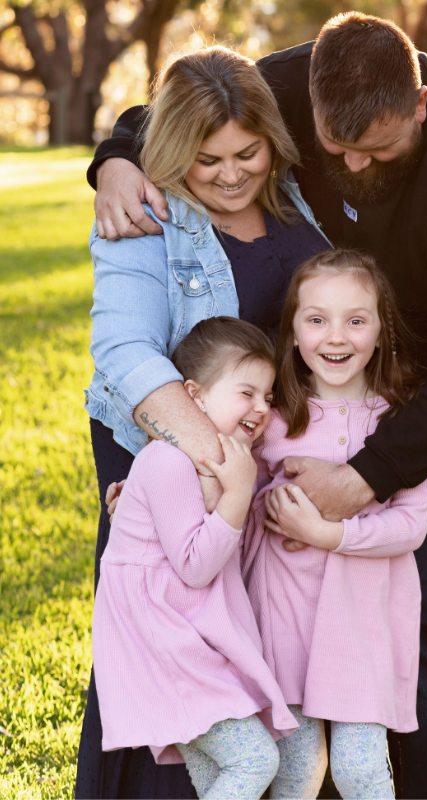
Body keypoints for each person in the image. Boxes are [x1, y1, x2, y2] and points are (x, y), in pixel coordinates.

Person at [88, 12, 427, 800]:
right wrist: (114, 161)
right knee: (274, 591)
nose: (348, 164)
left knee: (415, 604)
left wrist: (370, 475)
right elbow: (188, 106)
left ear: (417, 105)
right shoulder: (308, 79)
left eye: (374, 149)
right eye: (334, 148)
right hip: (320, 378)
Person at [77, 46, 330, 799]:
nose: (227, 173)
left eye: (245, 153)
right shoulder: (146, 210)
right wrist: (220, 466)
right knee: (186, 661)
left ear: (272, 142)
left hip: (275, 478)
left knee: (275, 659)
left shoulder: (296, 194)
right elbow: (125, 352)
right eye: (204, 157)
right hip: (184, 467)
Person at [242, 250, 427, 799]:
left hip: (362, 624)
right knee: (297, 772)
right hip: (283, 621)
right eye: (317, 318)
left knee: (360, 770)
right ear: (294, 331)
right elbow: (241, 499)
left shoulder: (402, 420)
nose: (337, 336)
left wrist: (332, 535)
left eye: (356, 319)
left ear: (382, 329)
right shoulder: (274, 419)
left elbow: (410, 526)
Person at [93, 316, 299, 799]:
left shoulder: (208, 468)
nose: (261, 408)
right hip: (164, 643)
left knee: (217, 777)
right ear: (195, 395)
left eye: (269, 398)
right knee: (254, 759)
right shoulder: (166, 460)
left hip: (188, 640)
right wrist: (238, 493)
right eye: (246, 393)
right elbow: (195, 566)